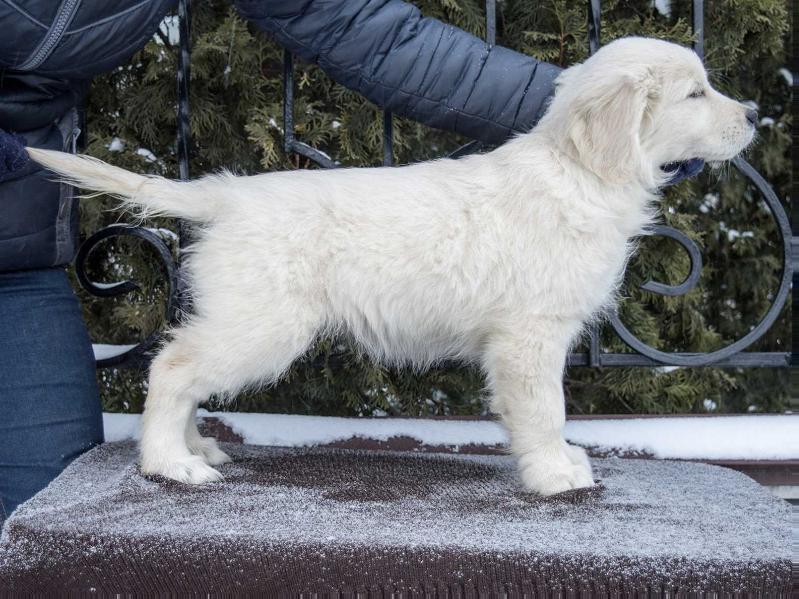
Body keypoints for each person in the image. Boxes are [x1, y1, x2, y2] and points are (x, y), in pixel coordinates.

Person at [0, 0, 701, 526]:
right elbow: (527, 347)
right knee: (250, 343)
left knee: (42, 505)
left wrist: (568, 100)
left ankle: (175, 425)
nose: (734, 111)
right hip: (294, 231)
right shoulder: (558, 205)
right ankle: (163, 430)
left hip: (19, 237)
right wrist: (545, 455)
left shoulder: (571, 168)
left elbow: (363, 27)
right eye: (697, 94)